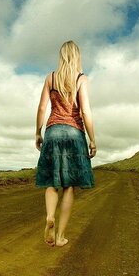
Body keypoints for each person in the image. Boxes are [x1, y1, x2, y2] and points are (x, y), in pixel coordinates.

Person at [35, 40, 96, 247]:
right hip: (74, 133)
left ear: (61, 56)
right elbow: (85, 110)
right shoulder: (81, 79)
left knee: (52, 182)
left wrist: (38, 132)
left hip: (52, 132)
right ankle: (60, 236)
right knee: (69, 186)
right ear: (77, 56)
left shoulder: (50, 78)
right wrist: (93, 139)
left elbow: (42, 108)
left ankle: (49, 216)